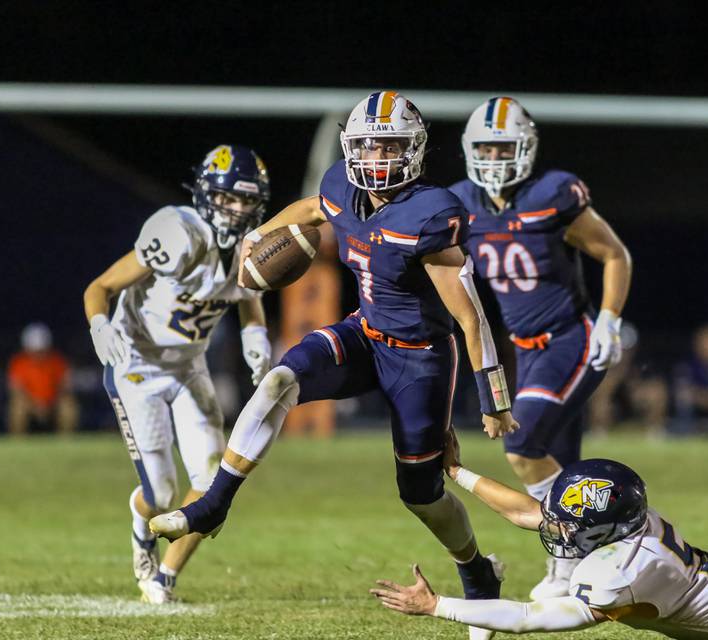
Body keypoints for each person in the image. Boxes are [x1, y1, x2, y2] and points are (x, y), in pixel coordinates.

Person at [151, 91, 517, 639]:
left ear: (413, 149)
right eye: (367, 143)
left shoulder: (431, 212)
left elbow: (471, 316)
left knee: (421, 492)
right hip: (363, 333)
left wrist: (494, 396)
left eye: (388, 144)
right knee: (280, 379)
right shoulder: (340, 186)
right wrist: (258, 238)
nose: (375, 155)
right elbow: (309, 209)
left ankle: (476, 573)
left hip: (419, 360)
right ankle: (214, 504)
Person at [449, 96, 632, 598]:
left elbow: (614, 254)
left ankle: (594, 540)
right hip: (524, 352)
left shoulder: (550, 196)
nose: (492, 158)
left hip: (570, 339)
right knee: (562, 460)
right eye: (483, 148)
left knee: (523, 442)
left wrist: (610, 321)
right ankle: (568, 565)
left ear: (525, 149)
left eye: (502, 148)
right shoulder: (460, 203)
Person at [83, 144, 273, 604]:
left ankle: (164, 578)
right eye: (229, 198)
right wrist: (99, 323)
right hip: (137, 366)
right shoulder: (178, 233)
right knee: (161, 491)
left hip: (190, 366)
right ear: (208, 194)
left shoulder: (256, 245)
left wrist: (256, 333)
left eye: (247, 201)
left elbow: (245, 291)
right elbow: (101, 286)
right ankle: (139, 526)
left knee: (213, 485)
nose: (237, 209)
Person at [372, 435, 708, 640]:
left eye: (570, 525)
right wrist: (458, 471)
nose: (558, 529)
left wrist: (435, 606)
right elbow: (530, 512)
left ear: (605, 530)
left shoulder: (623, 572)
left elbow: (526, 618)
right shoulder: (634, 523)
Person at [7, 322, 79, 435]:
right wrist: (35, 406)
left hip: (53, 403)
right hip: (29, 405)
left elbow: (65, 388)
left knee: (68, 406)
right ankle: (18, 443)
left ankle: (66, 442)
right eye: (34, 350)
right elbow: (17, 391)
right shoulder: (19, 363)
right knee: (17, 407)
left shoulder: (57, 361)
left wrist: (50, 403)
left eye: (41, 350)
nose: (38, 354)